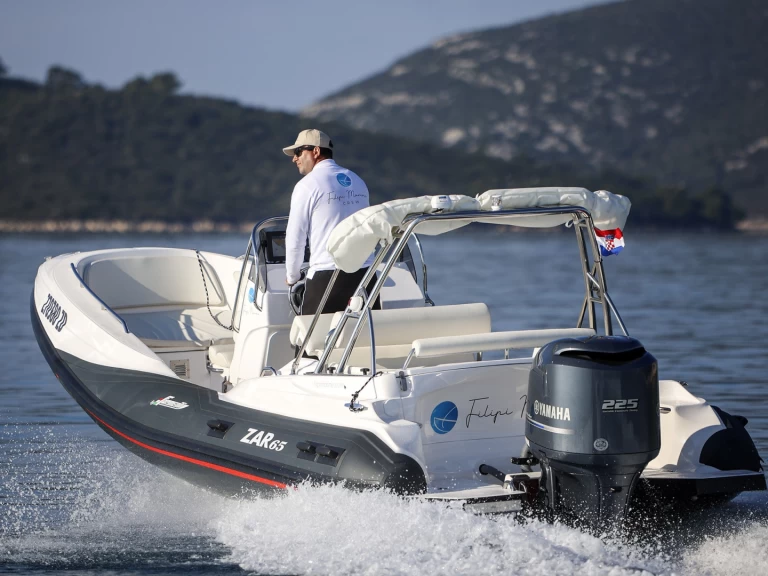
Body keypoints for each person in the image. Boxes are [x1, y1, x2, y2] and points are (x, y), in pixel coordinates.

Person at [282, 129, 377, 315]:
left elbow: (295, 238)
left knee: (309, 342)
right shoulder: (357, 180)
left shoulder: (307, 186)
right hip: (366, 276)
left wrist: (292, 277)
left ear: (316, 151)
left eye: (298, 152)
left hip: (327, 277)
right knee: (365, 340)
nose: (294, 158)